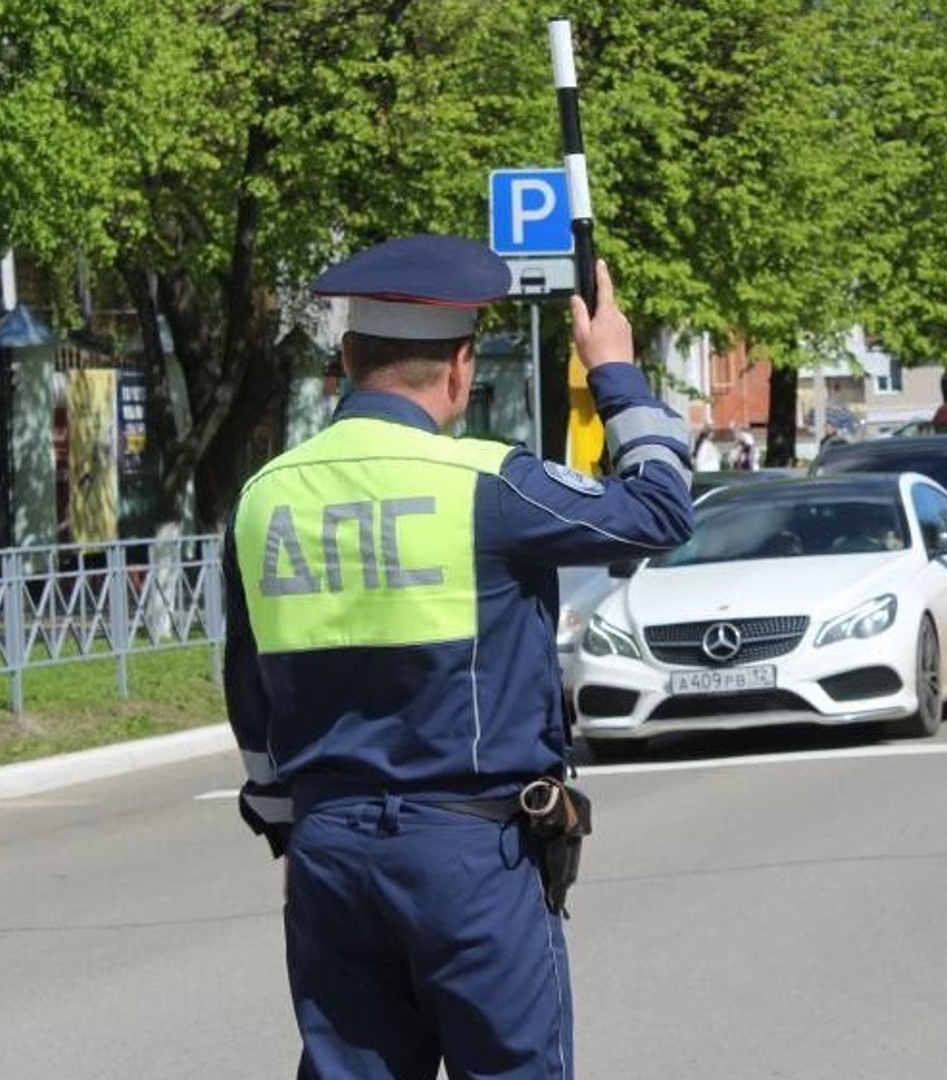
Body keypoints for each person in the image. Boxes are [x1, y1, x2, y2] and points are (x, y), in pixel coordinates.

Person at [223, 235, 693, 1080]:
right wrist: (613, 371)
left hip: (331, 858)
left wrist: (299, 833)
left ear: (346, 358)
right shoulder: (487, 484)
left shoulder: (265, 497)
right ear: (460, 367)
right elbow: (659, 509)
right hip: (469, 856)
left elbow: (250, 699)